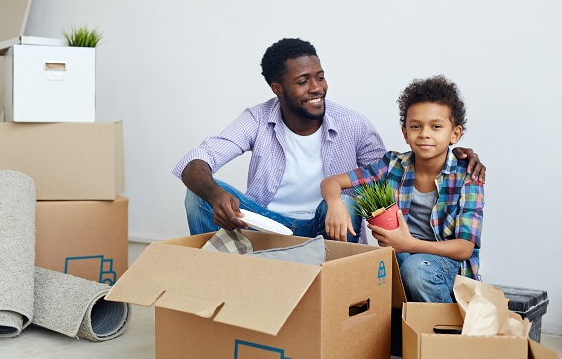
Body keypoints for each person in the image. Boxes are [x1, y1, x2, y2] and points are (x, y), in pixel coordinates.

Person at [172, 38, 485, 243]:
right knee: (197, 194)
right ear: (277, 89)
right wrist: (214, 194)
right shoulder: (256, 119)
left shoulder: (354, 124)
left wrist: (449, 153)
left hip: (329, 231)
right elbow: (196, 161)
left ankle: (336, 284)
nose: (316, 87)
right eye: (303, 81)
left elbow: (386, 177)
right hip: (267, 227)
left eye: (319, 76)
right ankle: (224, 279)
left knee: (349, 198)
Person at [320, 75, 483, 303]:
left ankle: (441, 332)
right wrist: (335, 202)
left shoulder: (468, 177)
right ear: (405, 133)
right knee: (349, 207)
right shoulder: (393, 165)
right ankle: (345, 292)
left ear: (454, 133)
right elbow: (331, 182)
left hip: (443, 267)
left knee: (415, 268)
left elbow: (465, 248)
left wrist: (409, 244)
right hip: (400, 256)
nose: (424, 133)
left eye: (436, 126)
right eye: (416, 126)